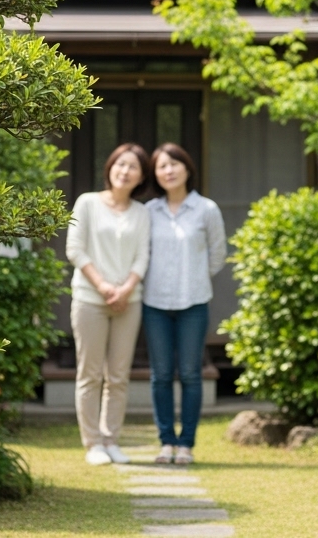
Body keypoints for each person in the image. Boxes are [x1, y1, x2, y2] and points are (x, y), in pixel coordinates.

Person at [66, 142, 152, 466]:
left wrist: (126, 288)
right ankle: (92, 444)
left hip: (129, 302)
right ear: (110, 167)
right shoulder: (87, 203)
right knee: (90, 374)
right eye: (120, 164)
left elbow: (143, 255)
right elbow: (75, 249)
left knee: (118, 374)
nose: (124, 171)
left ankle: (111, 439)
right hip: (90, 299)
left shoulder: (141, 213)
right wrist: (103, 286)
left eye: (132, 167)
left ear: (141, 176)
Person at [142, 143, 227, 465]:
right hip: (155, 304)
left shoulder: (206, 209)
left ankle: (187, 444)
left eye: (175, 164)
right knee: (160, 375)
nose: (169, 170)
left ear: (187, 169)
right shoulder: (149, 211)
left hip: (194, 302)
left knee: (191, 374)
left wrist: (194, 277)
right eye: (162, 166)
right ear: (156, 173)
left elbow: (217, 254)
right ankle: (167, 442)